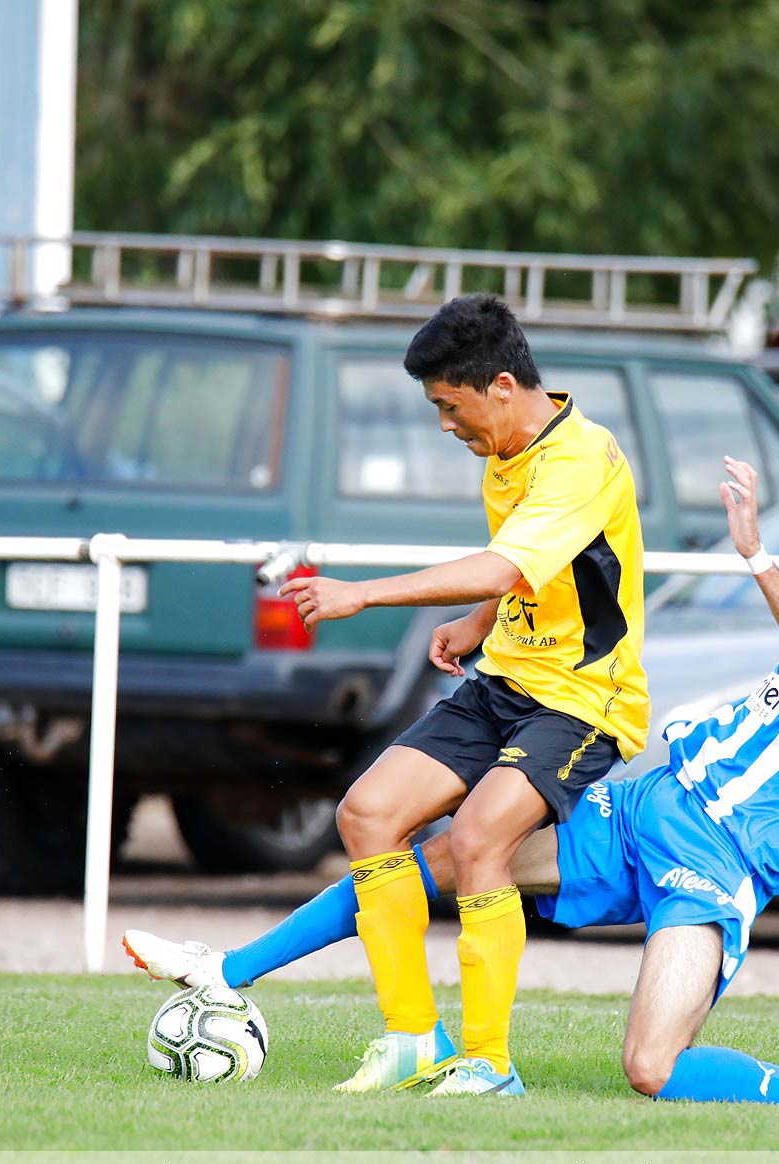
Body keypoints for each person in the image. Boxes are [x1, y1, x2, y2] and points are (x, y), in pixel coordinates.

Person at [127, 458, 779, 1109]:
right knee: (443, 856)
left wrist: (758, 557)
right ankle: (227, 971)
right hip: (654, 805)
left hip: (720, 864)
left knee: (652, 1070)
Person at [271, 294, 649, 1096]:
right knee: (366, 814)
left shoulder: (580, 457)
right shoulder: (507, 449)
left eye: (451, 405)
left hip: (585, 700)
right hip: (506, 680)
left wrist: (361, 594)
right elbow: (530, 564)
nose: (446, 424)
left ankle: (489, 1062)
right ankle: (413, 1038)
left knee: (479, 838)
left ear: (502, 386)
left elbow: (509, 562)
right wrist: (480, 622)